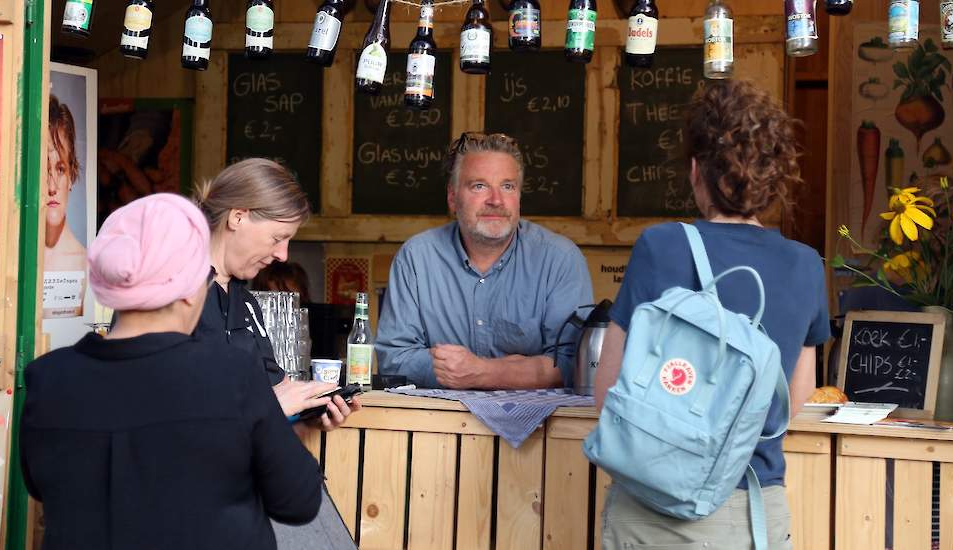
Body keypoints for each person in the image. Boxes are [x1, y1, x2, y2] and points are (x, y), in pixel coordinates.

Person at [593, 80, 829, 549]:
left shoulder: (661, 246)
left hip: (652, 511)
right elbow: (792, 401)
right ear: (773, 179)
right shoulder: (806, 265)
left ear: (697, 169)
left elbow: (608, 391)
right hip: (753, 514)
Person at [21, 194, 324, 549]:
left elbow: (40, 486)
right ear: (189, 289)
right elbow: (298, 502)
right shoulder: (233, 376)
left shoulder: (48, 378)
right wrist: (279, 420)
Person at [375, 132, 594, 389]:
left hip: (539, 427)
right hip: (436, 424)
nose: (496, 200)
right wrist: (523, 368)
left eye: (507, 186)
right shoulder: (416, 258)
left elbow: (576, 362)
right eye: (479, 186)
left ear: (519, 196)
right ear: (452, 197)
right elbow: (394, 358)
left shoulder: (560, 259)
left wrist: (482, 372)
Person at [192, 158, 360, 426]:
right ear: (238, 217)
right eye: (277, 238)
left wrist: (307, 416)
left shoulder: (245, 304)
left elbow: (277, 395)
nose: (283, 255)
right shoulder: (173, 292)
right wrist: (269, 407)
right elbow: (163, 409)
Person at [43, 94, 87, 319]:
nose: (51, 186)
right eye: (43, 169)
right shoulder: (10, 259)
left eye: (60, 169)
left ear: (71, 175)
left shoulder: (87, 266)